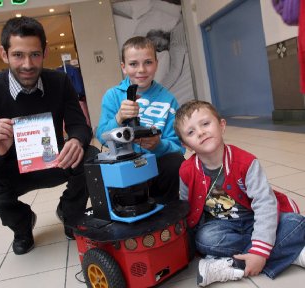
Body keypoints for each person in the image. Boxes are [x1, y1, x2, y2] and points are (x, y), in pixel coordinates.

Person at [0, 16, 96, 255]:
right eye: (18, 55)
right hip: (10, 172)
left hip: (53, 162)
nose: (27, 64)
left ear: (45, 52)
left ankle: (70, 212)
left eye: (34, 54)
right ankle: (22, 224)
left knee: (91, 155)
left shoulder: (59, 81)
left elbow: (80, 125)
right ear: (4, 54)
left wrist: (76, 139)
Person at [174, 100, 305, 287]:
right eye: (191, 132)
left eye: (205, 124)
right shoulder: (186, 171)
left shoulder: (246, 163)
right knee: (204, 239)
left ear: (222, 125)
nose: (201, 132)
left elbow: (265, 204)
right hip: (223, 228)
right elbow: (185, 206)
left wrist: (259, 252)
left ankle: (231, 266)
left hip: (256, 219)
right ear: (185, 144)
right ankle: (290, 253)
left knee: (296, 223)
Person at [96, 36, 185, 204]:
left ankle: (165, 207)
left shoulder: (168, 100)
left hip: (156, 165)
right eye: (133, 64)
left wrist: (159, 144)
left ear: (157, 64)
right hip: (125, 166)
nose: (141, 70)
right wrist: (118, 118)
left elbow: (178, 148)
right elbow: (101, 136)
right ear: (123, 67)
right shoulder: (112, 96)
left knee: (176, 161)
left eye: (148, 62)